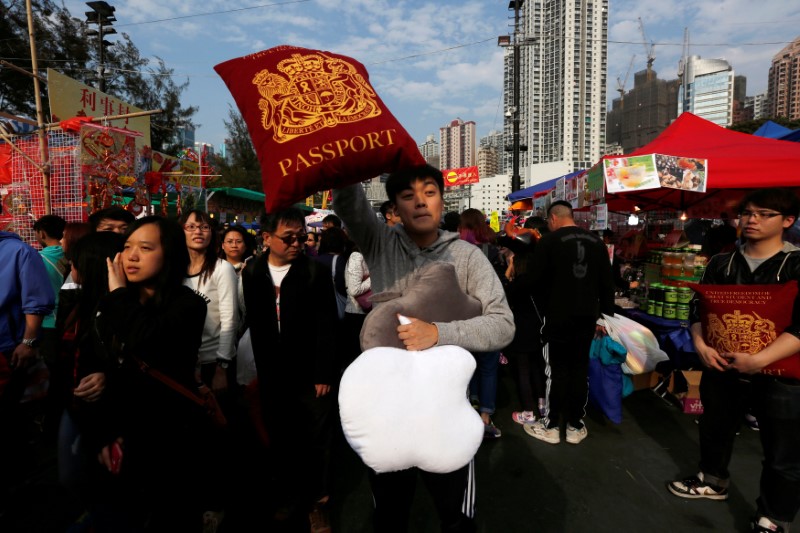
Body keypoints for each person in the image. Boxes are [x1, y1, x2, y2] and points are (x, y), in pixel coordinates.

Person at [333, 163, 514, 532]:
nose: (420, 202)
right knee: (388, 514)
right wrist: (345, 154)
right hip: (385, 410)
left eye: (429, 192)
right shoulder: (380, 243)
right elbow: (349, 203)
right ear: (394, 209)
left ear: (441, 200)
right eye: (408, 195)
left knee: (457, 517)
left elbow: (503, 324)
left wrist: (439, 333)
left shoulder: (467, 256)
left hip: (447, 411)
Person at [667, 188, 800, 533]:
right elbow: (698, 309)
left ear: (788, 221)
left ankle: (774, 518)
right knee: (715, 429)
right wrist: (699, 342)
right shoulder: (720, 262)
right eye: (747, 213)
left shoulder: (795, 264)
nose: (752, 219)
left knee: (783, 453)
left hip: (781, 376)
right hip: (722, 367)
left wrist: (760, 360)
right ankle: (713, 480)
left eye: (764, 213)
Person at [95, 216, 209, 531]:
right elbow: (111, 365)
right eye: (127, 247)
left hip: (172, 435)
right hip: (125, 432)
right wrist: (107, 432)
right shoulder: (115, 302)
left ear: (169, 254)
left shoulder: (188, 305)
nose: (131, 256)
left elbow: (145, 339)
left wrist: (117, 295)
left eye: (145, 248)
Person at [240, 208, 339, 532]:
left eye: (301, 237)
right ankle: (288, 496)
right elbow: (256, 323)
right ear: (266, 238)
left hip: (311, 375)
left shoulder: (314, 271)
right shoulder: (252, 271)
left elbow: (327, 325)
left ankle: (318, 503)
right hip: (272, 375)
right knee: (281, 437)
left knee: (317, 440)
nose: (297, 243)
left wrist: (323, 373)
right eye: (288, 238)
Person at [524, 200, 615, 445]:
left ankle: (552, 426)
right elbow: (608, 283)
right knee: (579, 369)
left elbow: (532, 281)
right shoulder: (597, 242)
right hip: (588, 318)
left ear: (553, 219)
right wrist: (605, 318)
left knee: (556, 371)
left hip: (556, 317)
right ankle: (575, 425)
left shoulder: (549, 242)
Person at [56, 232, 124, 507]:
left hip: (107, 417)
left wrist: (110, 376)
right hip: (75, 408)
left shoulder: (119, 310)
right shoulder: (80, 302)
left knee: (103, 487)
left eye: (75, 263)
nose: (71, 269)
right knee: (73, 477)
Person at [0, 230, 55, 494]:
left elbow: (35, 302)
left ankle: (21, 481)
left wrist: (28, 342)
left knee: (11, 419)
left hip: (8, 349)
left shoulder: (19, 251)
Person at [458, 208, 503, 439]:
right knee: (488, 368)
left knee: (467, 366)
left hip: (464, 318)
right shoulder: (493, 251)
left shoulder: (456, 253)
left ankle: (468, 409)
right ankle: (486, 416)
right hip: (490, 317)